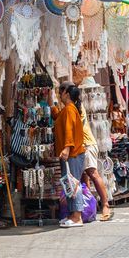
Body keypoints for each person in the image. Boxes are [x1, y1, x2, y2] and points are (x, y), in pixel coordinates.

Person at [51, 83, 87, 228]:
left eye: (60, 92)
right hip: (69, 154)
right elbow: (56, 116)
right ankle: (73, 214)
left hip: (73, 153)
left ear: (66, 93)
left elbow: (69, 131)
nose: (59, 94)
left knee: (74, 184)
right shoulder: (66, 110)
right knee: (69, 184)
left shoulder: (70, 110)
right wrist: (50, 101)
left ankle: (77, 216)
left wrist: (66, 148)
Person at [79, 103, 113, 221]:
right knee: (84, 177)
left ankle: (105, 205)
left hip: (86, 144)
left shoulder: (77, 106)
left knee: (92, 173)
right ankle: (89, 206)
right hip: (81, 145)